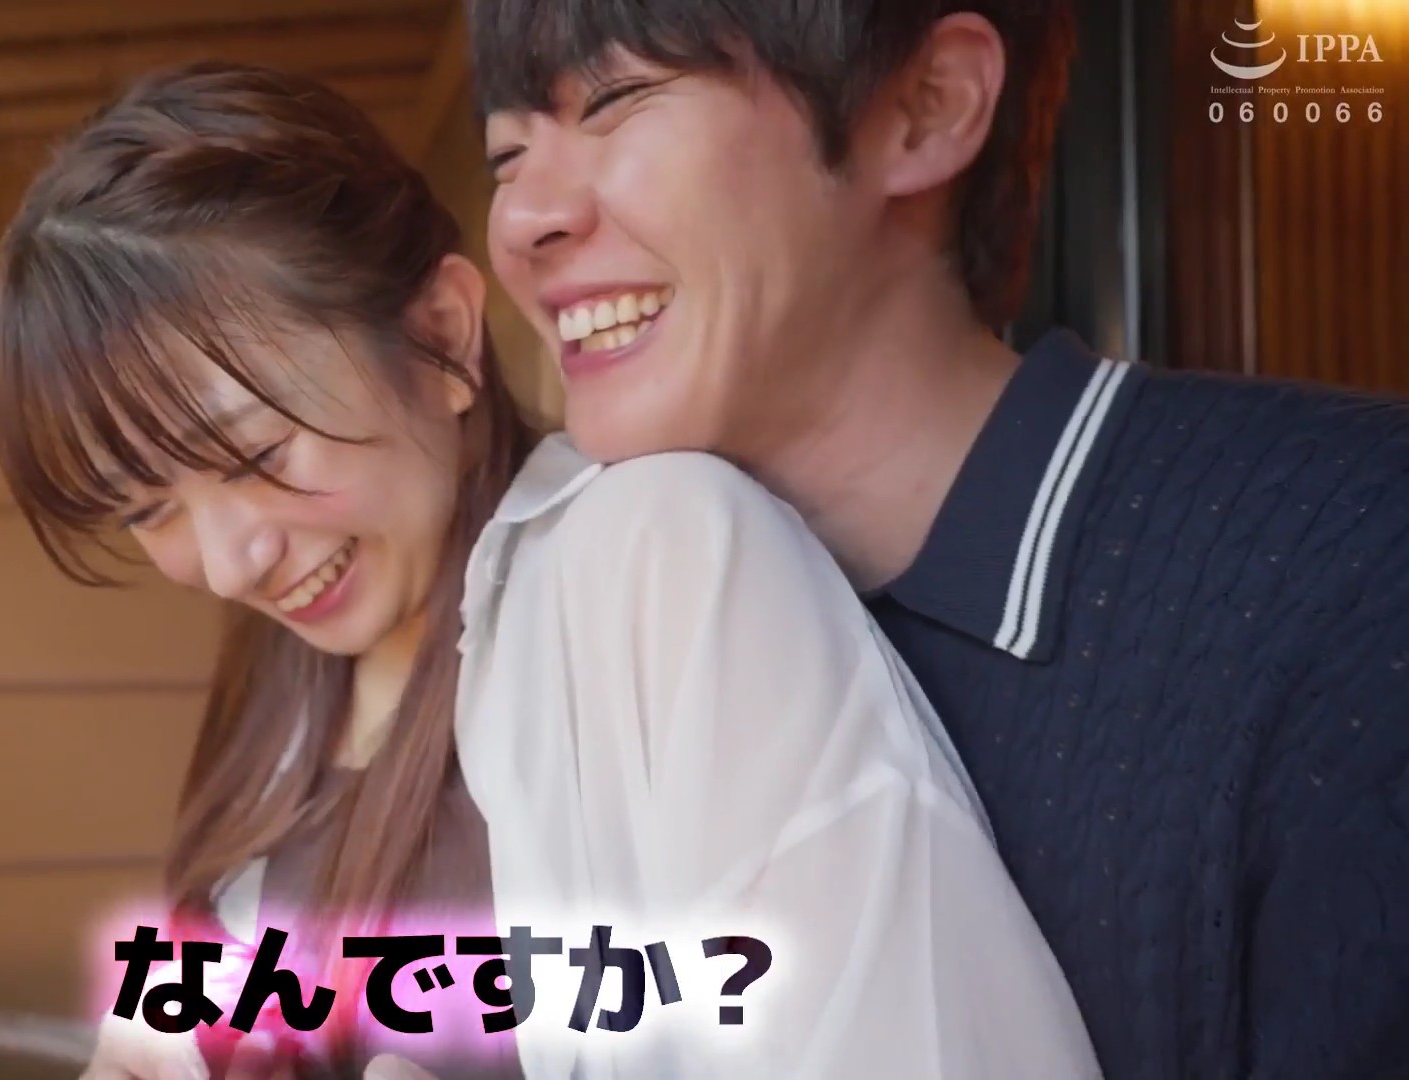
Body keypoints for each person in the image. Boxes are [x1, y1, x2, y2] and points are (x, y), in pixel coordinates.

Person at [0, 62, 1096, 1080]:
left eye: (260, 455)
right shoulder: (277, 687)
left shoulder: (659, 566)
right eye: (149, 509)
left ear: (443, 336)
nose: (228, 563)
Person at [469, 1, 1409, 1077]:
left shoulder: (1356, 568)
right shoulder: (583, 635)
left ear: (928, 107)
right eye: (505, 155)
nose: (521, 220)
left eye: (617, 100)